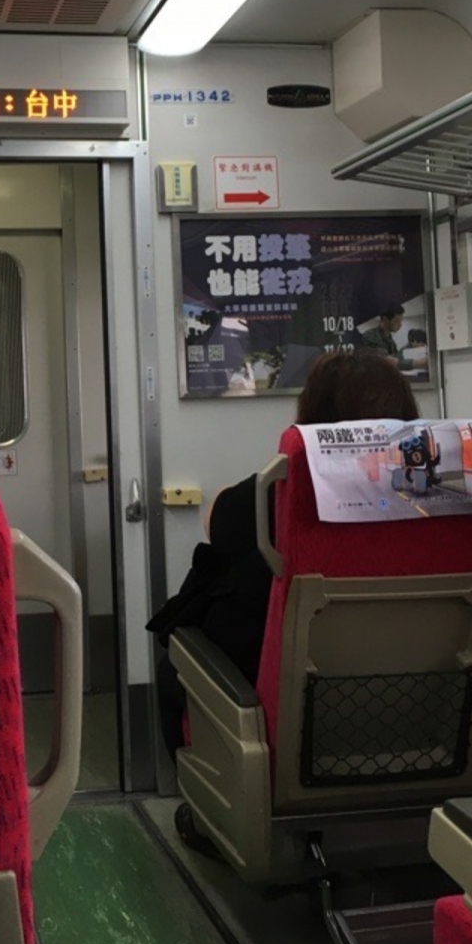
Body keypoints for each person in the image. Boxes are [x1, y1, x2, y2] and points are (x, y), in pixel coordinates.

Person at [149, 349, 420, 761]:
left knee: (177, 663)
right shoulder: (445, 500)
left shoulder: (280, 495)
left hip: (297, 715)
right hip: (421, 709)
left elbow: (216, 521)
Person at [362, 303, 418, 370]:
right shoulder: (370, 336)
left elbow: (396, 357)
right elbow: (387, 360)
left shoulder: (390, 340)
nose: (400, 325)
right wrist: (418, 363)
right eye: (396, 321)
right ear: (385, 320)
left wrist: (409, 345)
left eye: (401, 321)